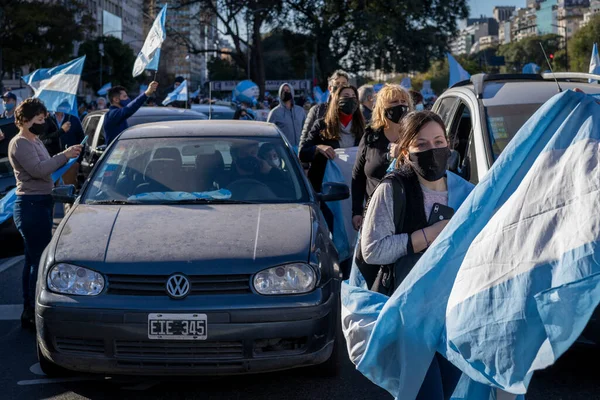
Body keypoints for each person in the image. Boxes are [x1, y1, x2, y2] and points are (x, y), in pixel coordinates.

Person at [358, 110, 474, 399]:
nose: (432, 150)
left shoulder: (467, 191)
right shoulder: (392, 189)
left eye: (438, 141)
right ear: (405, 150)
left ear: (449, 144)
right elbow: (371, 250)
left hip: (453, 316)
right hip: (410, 315)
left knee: (448, 391)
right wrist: (427, 236)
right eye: (421, 145)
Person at [8, 98, 82, 328]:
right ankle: (31, 311)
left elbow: (46, 166)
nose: (43, 122)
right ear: (26, 120)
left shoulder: (35, 139)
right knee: (38, 259)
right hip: (30, 205)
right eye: (39, 119)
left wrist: (63, 156)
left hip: (42, 201)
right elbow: (40, 170)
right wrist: (65, 155)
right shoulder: (20, 143)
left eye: (44, 118)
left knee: (33, 258)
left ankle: (29, 308)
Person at [351, 84, 413, 231]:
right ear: (382, 108)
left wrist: (405, 154)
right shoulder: (370, 136)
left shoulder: (415, 137)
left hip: (407, 216)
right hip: (374, 215)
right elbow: (358, 176)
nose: (400, 106)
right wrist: (356, 212)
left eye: (403, 102)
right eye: (394, 102)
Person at [300, 85, 365, 193]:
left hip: (353, 187)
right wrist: (318, 148)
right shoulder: (321, 125)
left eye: (354, 96)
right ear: (337, 99)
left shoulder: (363, 128)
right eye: (346, 96)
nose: (351, 99)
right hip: (326, 189)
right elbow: (303, 153)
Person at [300, 70, 350, 146]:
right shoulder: (317, 111)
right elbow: (304, 144)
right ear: (330, 88)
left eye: (344, 84)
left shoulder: (355, 111)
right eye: (337, 83)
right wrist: (318, 148)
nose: (340, 87)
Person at [103, 81, 159, 145]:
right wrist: (147, 93)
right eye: (125, 96)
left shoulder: (119, 115)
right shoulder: (112, 115)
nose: (128, 99)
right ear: (116, 99)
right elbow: (129, 109)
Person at [267, 83, 306, 148]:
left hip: (300, 149)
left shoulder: (300, 111)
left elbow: (305, 129)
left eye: (287, 90)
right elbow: (269, 133)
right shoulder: (275, 113)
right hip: (284, 150)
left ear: (292, 92)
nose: (285, 92)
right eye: (283, 91)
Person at [52, 109, 84, 186]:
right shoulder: (48, 119)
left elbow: (81, 139)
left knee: (69, 188)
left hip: (70, 162)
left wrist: (78, 161)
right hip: (52, 161)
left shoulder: (73, 119)